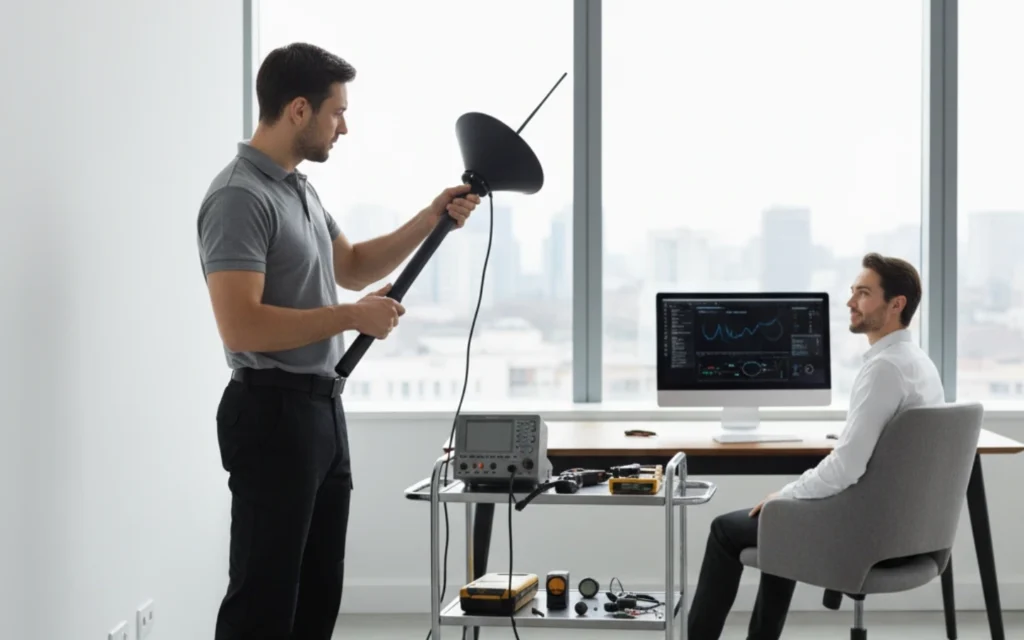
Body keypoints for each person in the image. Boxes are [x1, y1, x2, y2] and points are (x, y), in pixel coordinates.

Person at [196, 43, 480, 640]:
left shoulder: (298, 188)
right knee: (264, 600)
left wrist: (432, 217)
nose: (343, 127)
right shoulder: (238, 197)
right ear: (299, 110)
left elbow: (350, 263)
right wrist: (350, 317)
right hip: (270, 411)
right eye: (336, 112)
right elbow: (241, 325)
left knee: (318, 593)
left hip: (321, 409)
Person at [687, 253, 945, 640]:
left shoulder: (885, 369)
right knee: (783, 516)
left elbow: (847, 468)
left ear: (896, 304)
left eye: (863, 293)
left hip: (868, 536)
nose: (850, 302)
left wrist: (785, 495)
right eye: (852, 291)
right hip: (911, 532)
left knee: (728, 530)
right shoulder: (918, 363)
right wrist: (787, 503)